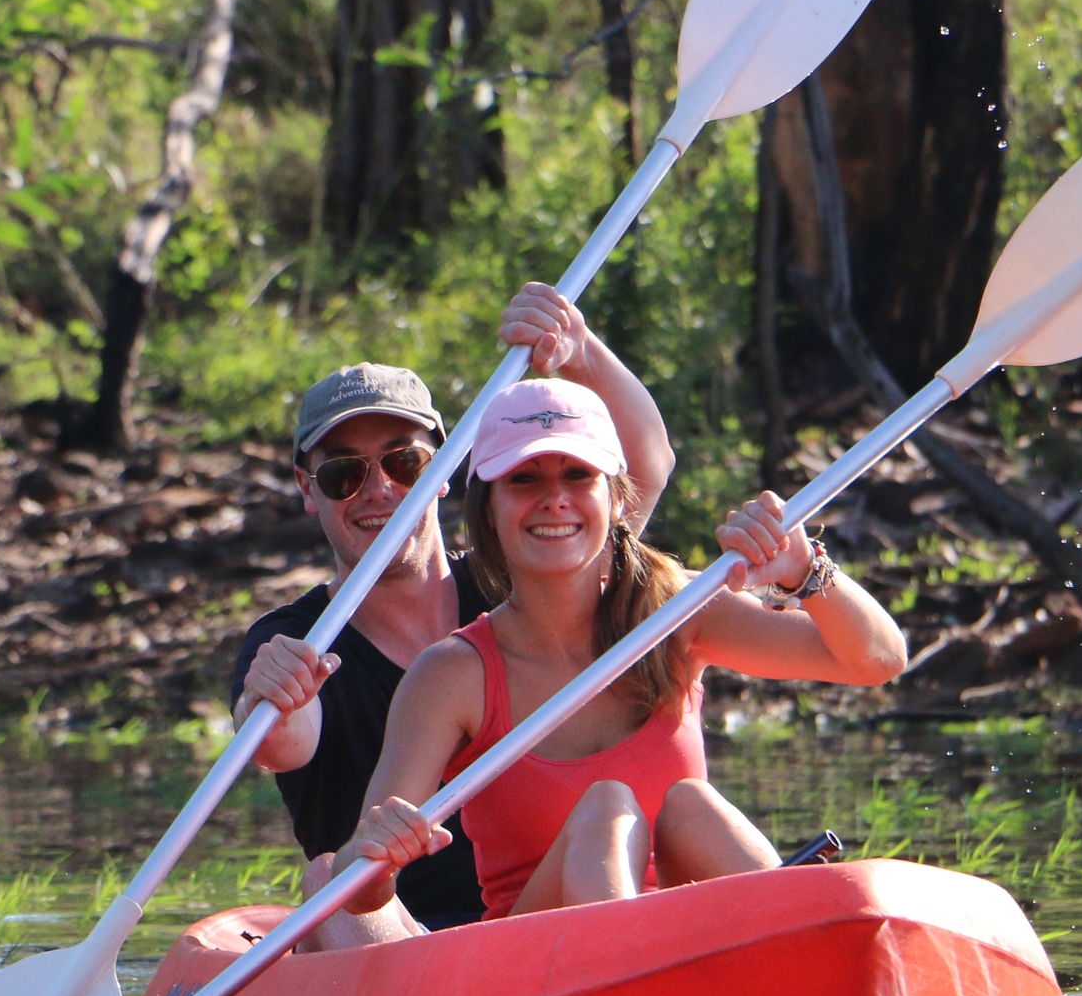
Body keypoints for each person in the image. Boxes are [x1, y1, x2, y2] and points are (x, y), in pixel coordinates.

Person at [329, 378, 908, 924]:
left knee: (691, 806)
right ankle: (651, 964)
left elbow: (877, 661)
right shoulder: (453, 674)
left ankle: (793, 941)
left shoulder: (676, 613)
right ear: (489, 509)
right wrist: (376, 854)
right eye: (524, 480)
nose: (555, 500)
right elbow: (361, 891)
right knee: (606, 808)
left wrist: (805, 571)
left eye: (578, 475)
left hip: (685, 947)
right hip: (536, 966)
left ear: (614, 496)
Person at [230, 284, 674, 933]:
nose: (379, 490)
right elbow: (283, 743)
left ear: (442, 471)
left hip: (545, 918)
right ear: (307, 488)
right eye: (343, 474)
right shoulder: (295, 638)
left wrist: (578, 352)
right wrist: (269, 706)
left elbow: (646, 468)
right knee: (328, 874)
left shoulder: (528, 581)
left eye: (404, 462)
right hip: (399, 941)